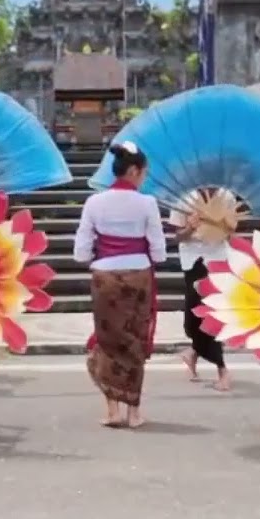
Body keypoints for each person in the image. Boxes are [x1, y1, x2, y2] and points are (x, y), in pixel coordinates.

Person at [74, 140, 168, 429]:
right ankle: (133, 412)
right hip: (138, 275)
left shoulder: (94, 202)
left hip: (105, 278)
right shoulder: (147, 203)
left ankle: (113, 409)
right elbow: (159, 251)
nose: (144, 177)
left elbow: (80, 251)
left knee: (108, 342)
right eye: (143, 172)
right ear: (133, 171)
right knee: (133, 342)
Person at [168, 199, 231, 391]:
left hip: (218, 260)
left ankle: (221, 369)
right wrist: (190, 227)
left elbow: (231, 231)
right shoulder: (184, 199)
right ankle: (195, 352)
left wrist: (220, 224)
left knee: (213, 314)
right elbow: (177, 237)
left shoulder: (225, 196)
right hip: (193, 262)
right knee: (194, 315)